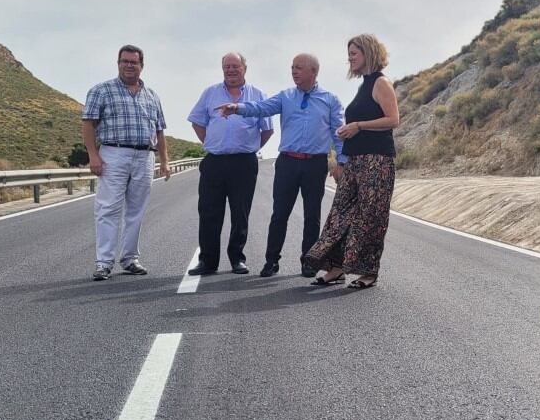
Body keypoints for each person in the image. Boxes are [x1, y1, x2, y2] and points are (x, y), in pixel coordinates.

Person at [215, 53, 345, 277]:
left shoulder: (330, 99)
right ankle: (271, 261)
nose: (294, 71)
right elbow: (261, 107)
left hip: (315, 165)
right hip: (288, 163)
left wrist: (342, 162)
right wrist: (237, 108)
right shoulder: (285, 96)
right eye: (292, 67)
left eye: (299, 68)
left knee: (312, 215)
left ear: (314, 72)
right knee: (279, 214)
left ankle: (309, 261)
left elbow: (339, 133)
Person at [303, 34, 400, 290]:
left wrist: (357, 125)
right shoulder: (363, 85)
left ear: (368, 53)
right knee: (340, 213)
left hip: (378, 162)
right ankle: (335, 267)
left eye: (353, 54)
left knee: (371, 217)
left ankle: (368, 272)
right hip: (356, 161)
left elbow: (393, 120)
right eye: (349, 54)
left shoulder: (381, 83)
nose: (349, 59)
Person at [82, 44, 170, 281]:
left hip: (144, 156)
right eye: (125, 61)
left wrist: (164, 161)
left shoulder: (152, 96)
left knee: (137, 210)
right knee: (108, 208)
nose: (129, 65)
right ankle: (104, 263)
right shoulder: (101, 91)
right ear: (118, 63)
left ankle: (130, 259)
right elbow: (88, 124)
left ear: (142, 65)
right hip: (114, 154)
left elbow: (159, 130)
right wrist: (93, 155)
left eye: (134, 62)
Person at [187, 53, 273, 275]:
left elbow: (268, 129)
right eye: (227, 67)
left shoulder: (258, 94)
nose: (231, 70)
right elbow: (197, 121)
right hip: (214, 161)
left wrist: (251, 146)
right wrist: (211, 141)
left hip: (244, 162)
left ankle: (237, 258)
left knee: (240, 212)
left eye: (235, 66)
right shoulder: (210, 93)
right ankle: (207, 261)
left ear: (245, 67)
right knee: (208, 212)